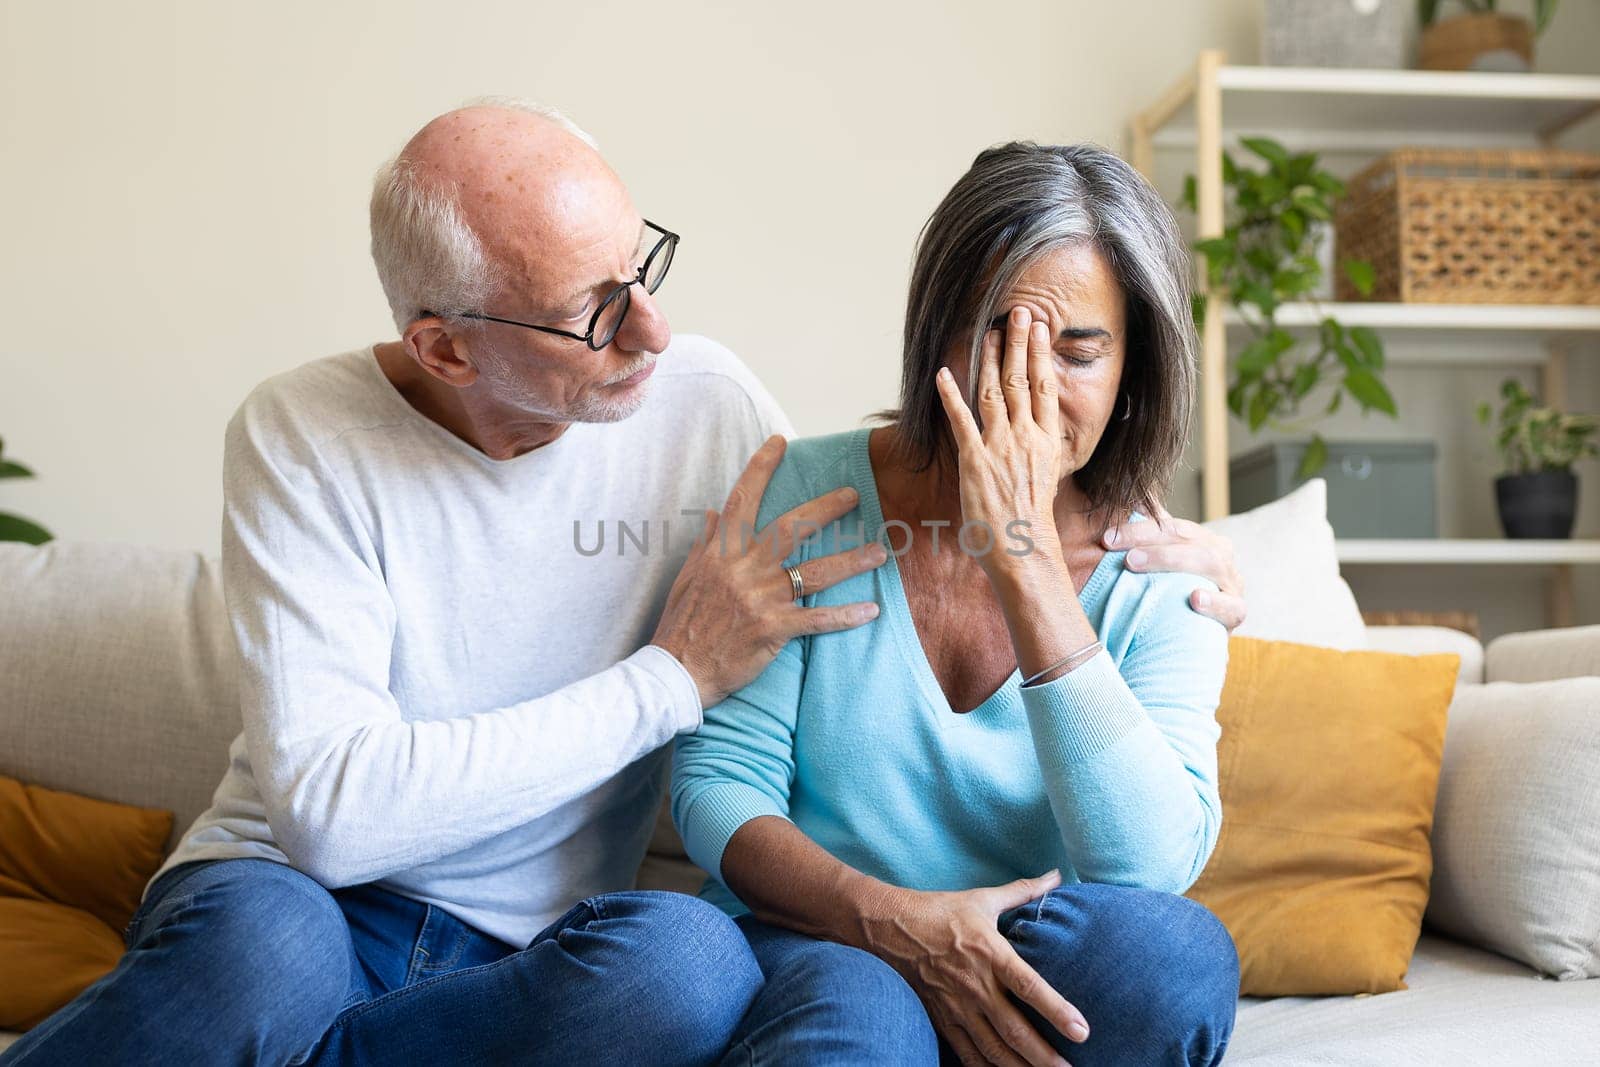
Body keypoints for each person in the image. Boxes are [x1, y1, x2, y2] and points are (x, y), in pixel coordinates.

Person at [4, 103, 1242, 1066]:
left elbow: (903, 483)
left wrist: (1148, 556)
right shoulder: (300, 432)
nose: (653, 333)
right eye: (595, 312)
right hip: (304, 894)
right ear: (445, 344)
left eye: (642, 266)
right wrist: (672, 677)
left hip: (548, 950)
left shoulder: (704, 405)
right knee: (264, 959)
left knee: (684, 967)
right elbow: (333, 815)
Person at [673, 141, 1241, 1067]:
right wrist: (898, 921)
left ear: (1133, 368)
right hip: (826, 934)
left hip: (1030, 941)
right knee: (860, 1019)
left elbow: (1148, 868)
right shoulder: (811, 495)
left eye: (1078, 351)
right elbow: (717, 787)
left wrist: (1025, 560)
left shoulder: (1170, 571)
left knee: (1172, 960)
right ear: (935, 333)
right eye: (995, 335)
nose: (1028, 386)